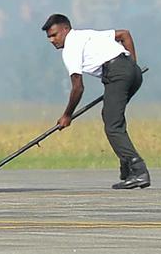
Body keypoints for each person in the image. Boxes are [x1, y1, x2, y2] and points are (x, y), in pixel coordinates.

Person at [41, 13, 149, 189]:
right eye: (49, 37)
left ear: (65, 29)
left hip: (117, 74)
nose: (52, 40)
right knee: (113, 119)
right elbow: (124, 34)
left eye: (54, 35)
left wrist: (67, 115)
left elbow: (78, 87)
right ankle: (127, 168)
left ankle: (138, 171)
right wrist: (131, 66)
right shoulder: (87, 34)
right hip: (133, 72)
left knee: (112, 125)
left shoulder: (70, 48)